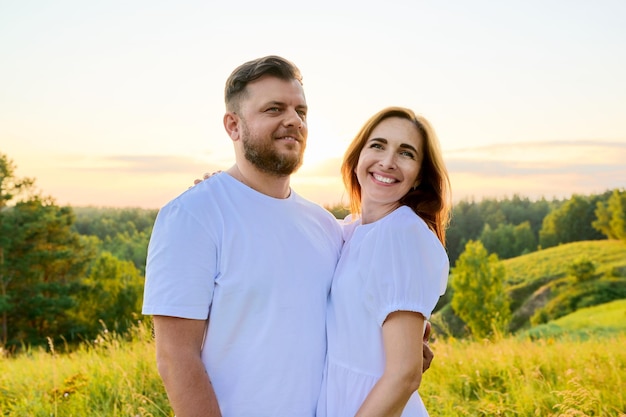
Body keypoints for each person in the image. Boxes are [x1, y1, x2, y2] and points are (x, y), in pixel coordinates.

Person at [142, 55, 344, 417]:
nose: (293, 121)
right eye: (274, 109)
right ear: (233, 126)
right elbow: (176, 359)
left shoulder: (325, 225)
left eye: (301, 110)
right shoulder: (193, 216)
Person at [316, 107, 451, 417]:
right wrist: (227, 188)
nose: (387, 162)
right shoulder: (354, 231)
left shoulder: (401, 233)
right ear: (358, 156)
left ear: (419, 177)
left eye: (406, 153)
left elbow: (405, 374)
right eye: (378, 145)